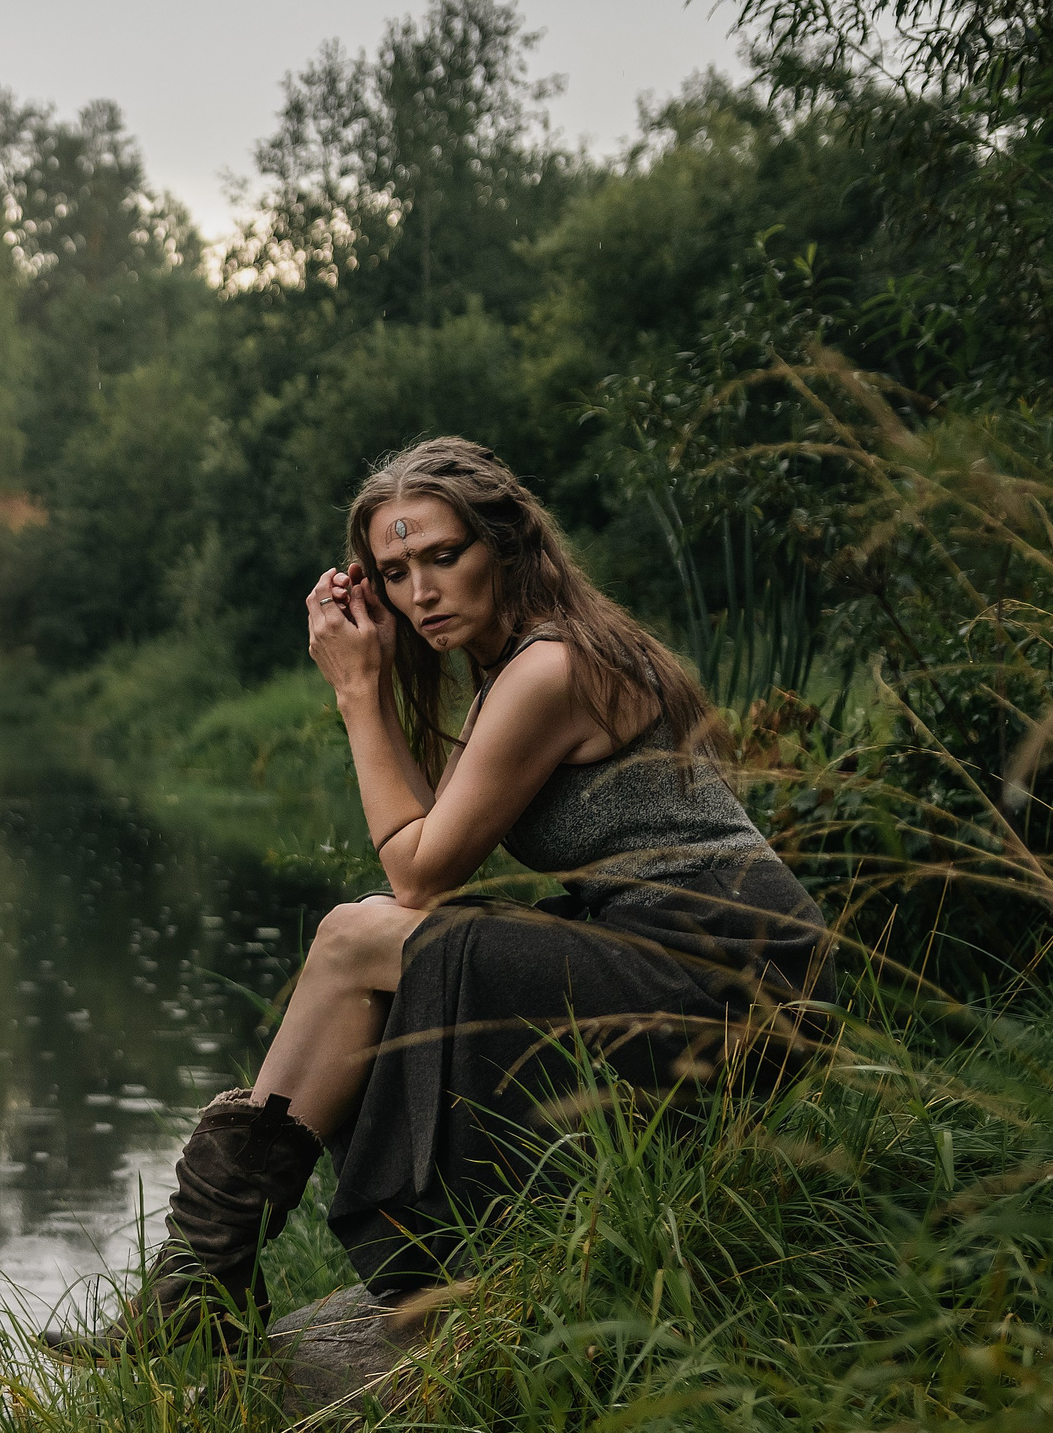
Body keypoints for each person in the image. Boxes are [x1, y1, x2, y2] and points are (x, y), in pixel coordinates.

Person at [44, 437, 833, 1358]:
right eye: (395, 570)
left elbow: (421, 870)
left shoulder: (552, 670)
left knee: (356, 936)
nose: (421, 591)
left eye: (443, 556)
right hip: (672, 957)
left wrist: (358, 694)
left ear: (504, 546)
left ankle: (200, 1279)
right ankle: (202, 1278)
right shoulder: (519, 672)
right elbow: (428, 844)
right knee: (367, 933)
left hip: (729, 975)